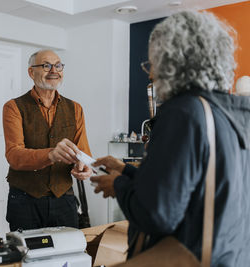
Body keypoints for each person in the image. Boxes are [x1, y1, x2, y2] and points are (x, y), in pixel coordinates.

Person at [91, 10, 250, 266]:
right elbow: (199, 187)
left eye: (152, 64)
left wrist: (119, 185)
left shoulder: (183, 112)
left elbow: (157, 214)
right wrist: (127, 172)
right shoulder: (235, 114)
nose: (151, 74)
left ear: (171, 62)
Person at [2, 49, 92, 231]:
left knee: (67, 255)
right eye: (46, 66)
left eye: (58, 66)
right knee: (28, 256)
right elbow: (14, 155)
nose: (54, 71)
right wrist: (51, 154)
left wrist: (84, 167)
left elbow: (82, 152)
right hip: (24, 200)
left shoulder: (75, 108)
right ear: (31, 72)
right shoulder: (13, 107)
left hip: (64, 199)